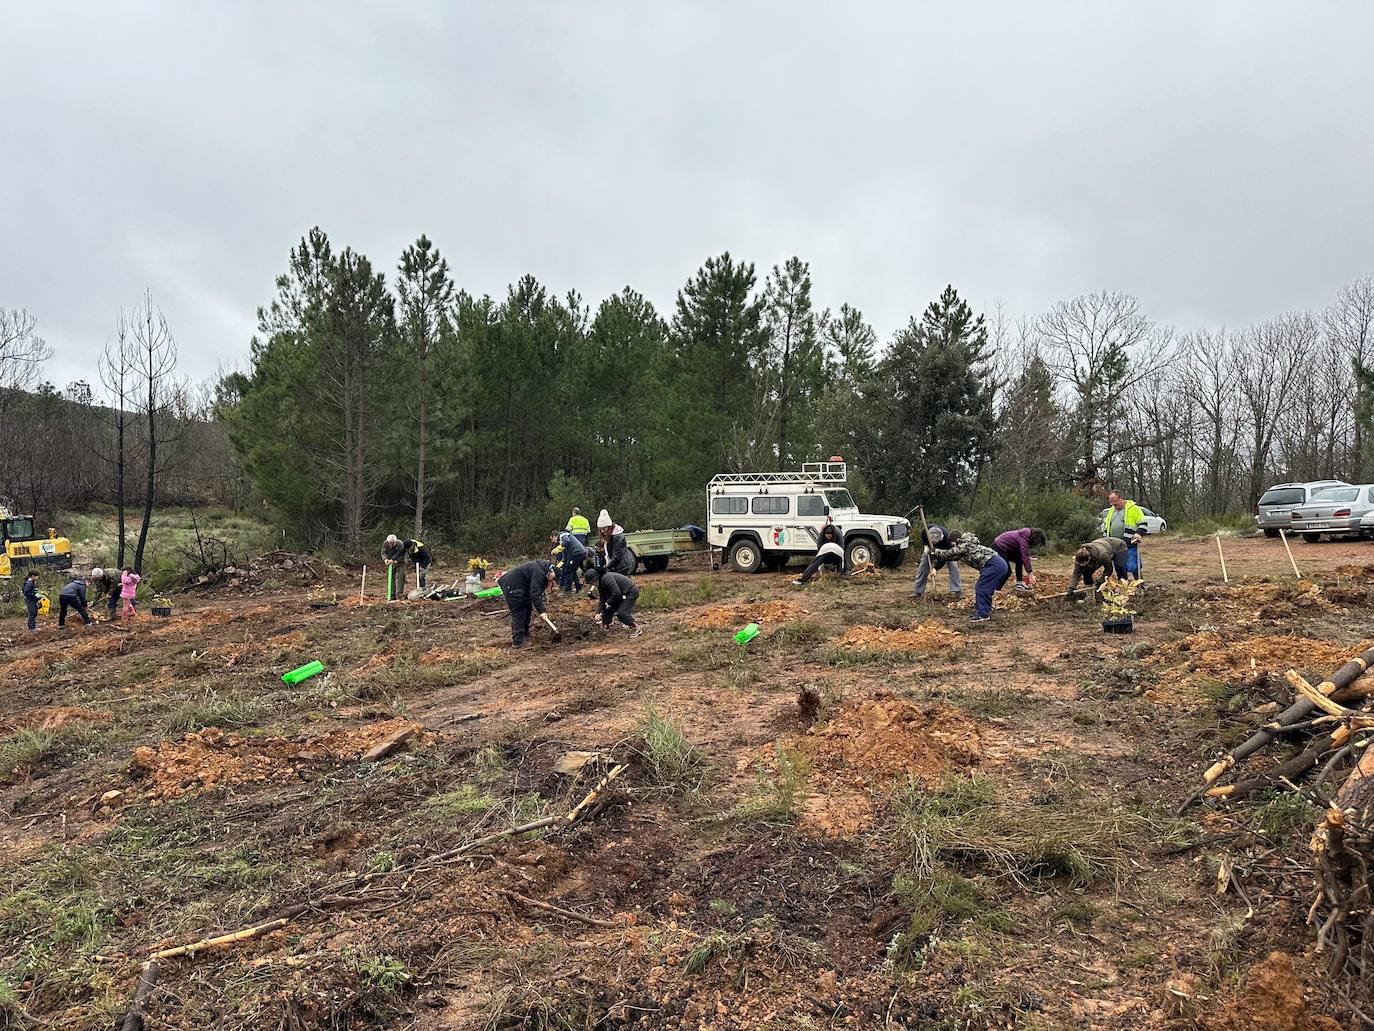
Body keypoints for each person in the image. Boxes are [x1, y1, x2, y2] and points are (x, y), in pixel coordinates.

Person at [929, 530, 1009, 624]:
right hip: (996, 564)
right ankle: (983, 611)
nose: (951, 544)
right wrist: (936, 559)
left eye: (952, 542)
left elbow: (949, 553)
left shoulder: (964, 545)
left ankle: (983, 615)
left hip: (994, 564)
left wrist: (934, 551)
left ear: (956, 540)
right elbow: (950, 557)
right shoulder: (966, 546)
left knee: (982, 587)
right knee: (985, 588)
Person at [496, 559, 556, 647]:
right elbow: (535, 593)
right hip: (512, 586)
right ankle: (518, 641)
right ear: (551, 572)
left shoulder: (544, 568)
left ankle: (525, 634)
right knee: (519, 612)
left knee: (528, 608)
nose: (552, 581)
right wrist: (542, 611)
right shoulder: (539, 573)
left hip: (520, 586)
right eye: (553, 579)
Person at [911, 525, 963, 600]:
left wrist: (935, 569)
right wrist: (926, 545)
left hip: (946, 551)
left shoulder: (947, 540)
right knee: (922, 567)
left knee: (953, 566)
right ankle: (917, 591)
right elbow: (922, 535)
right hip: (929, 549)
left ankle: (958, 590)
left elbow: (944, 558)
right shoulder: (926, 530)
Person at [1102, 490, 1145, 581]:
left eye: (1115, 502)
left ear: (1121, 498)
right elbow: (1107, 526)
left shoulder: (1134, 509)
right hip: (1115, 546)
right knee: (1119, 567)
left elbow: (1143, 524)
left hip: (1129, 544)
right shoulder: (1111, 511)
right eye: (1111, 502)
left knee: (1133, 566)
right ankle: (1123, 588)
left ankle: (1140, 585)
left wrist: (1138, 533)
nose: (1113, 504)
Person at [590, 567, 642, 635]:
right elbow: (602, 599)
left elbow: (616, 593)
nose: (593, 584)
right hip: (621, 594)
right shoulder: (600, 584)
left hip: (630, 592)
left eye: (592, 582)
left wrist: (608, 602)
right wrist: (598, 612)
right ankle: (605, 626)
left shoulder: (606, 579)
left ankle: (636, 628)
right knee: (607, 610)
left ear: (597, 578)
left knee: (622, 613)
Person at [993, 528, 1047, 592]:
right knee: (1007, 571)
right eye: (1038, 542)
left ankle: (1019, 584)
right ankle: (995, 590)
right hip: (999, 547)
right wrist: (1030, 574)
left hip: (1007, 548)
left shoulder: (1026, 536)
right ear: (1036, 538)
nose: (1036, 545)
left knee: (1019, 559)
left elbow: (1023, 555)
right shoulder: (1024, 537)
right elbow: (1025, 556)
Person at [382, 534, 433, 598]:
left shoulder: (420, 548)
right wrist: (392, 559)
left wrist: (422, 566)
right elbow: (399, 553)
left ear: (412, 546)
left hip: (425, 562)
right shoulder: (405, 546)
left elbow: (428, 558)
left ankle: (423, 590)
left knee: (421, 575)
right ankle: (419, 589)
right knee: (418, 575)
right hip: (417, 562)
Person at [596, 510, 634, 576]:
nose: (602, 531)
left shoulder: (617, 537)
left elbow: (616, 556)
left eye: (604, 528)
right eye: (600, 529)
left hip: (622, 566)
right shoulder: (608, 535)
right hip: (615, 565)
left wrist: (606, 568)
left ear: (609, 527)